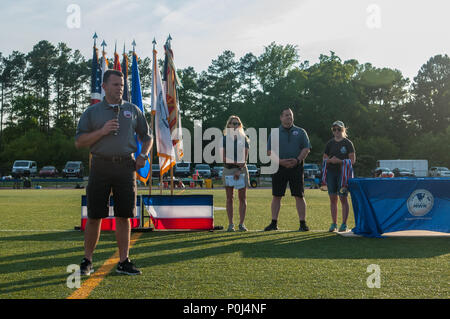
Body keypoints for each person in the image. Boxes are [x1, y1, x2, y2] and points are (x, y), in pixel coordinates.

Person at [75, 70, 153, 276]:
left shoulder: (133, 109)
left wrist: (143, 156)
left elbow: (147, 136)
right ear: (104, 87)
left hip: (126, 167)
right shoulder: (92, 112)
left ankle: (124, 260)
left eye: (122, 85)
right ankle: (87, 260)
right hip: (100, 166)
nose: (120, 88)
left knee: (124, 215)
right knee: (94, 215)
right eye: (116, 84)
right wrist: (101, 131)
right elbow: (79, 142)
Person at [265, 108, 311, 231]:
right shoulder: (274, 132)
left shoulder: (301, 132)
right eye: (286, 115)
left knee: (299, 196)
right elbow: (269, 151)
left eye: (290, 115)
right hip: (279, 167)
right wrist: (280, 162)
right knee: (276, 196)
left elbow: (306, 149)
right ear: (281, 117)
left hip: (296, 167)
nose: (289, 117)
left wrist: (297, 160)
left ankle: (303, 223)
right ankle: (273, 223)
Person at [322, 120, 356, 232]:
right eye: (334, 129)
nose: (337, 131)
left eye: (339, 129)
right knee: (332, 198)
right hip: (331, 173)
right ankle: (334, 223)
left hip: (343, 174)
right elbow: (324, 158)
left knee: (343, 198)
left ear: (343, 130)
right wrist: (330, 160)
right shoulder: (330, 143)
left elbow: (352, 160)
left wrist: (340, 161)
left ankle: (344, 224)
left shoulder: (348, 143)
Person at [221, 115, 250, 232]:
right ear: (229, 125)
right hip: (228, 169)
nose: (235, 125)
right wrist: (235, 163)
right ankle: (231, 224)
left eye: (237, 124)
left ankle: (241, 224)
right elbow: (223, 158)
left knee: (242, 198)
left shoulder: (244, 139)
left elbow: (244, 158)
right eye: (233, 123)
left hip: (241, 169)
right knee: (229, 198)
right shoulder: (224, 139)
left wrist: (239, 169)